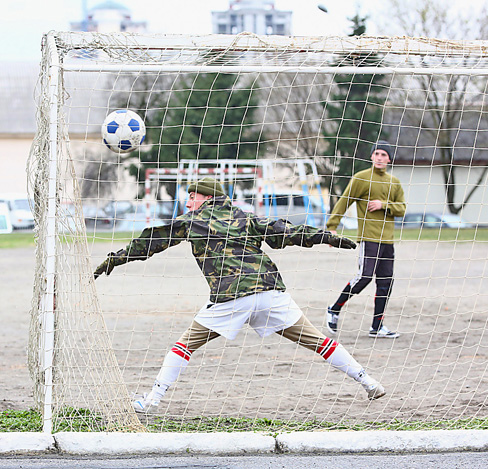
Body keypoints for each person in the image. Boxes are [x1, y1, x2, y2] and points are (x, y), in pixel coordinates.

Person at [94, 177, 386, 413]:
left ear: (206, 198)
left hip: (232, 296)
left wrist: (115, 259)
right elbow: (287, 231)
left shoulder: (191, 221)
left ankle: (151, 401)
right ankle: (369, 382)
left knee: (183, 346)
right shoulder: (246, 218)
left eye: (192, 196)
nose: (188, 201)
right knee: (319, 342)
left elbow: (150, 241)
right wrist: (328, 237)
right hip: (270, 291)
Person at [326, 140, 406, 339]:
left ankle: (377, 327)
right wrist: (332, 227)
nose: (379, 158)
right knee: (365, 276)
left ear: (389, 159)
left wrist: (383, 204)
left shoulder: (394, 182)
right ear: (371, 156)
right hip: (368, 239)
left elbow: (402, 208)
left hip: (387, 241)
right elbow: (344, 201)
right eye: (376, 154)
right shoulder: (361, 178)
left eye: (383, 155)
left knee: (386, 281)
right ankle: (334, 309)